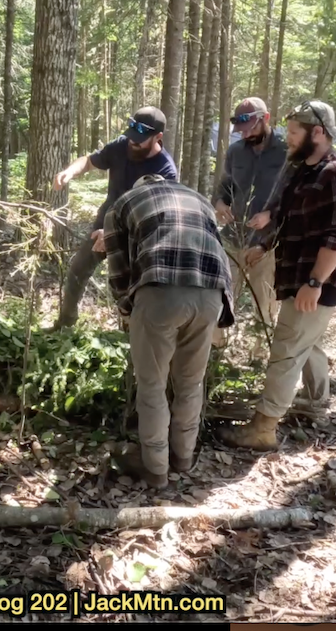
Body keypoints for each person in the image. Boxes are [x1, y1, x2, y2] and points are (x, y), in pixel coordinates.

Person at [216, 100, 336, 450]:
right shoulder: (302, 169)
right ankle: (315, 402)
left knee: (286, 348)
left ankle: (263, 428)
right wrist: (264, 246)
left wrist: (314, 283)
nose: (290, 139)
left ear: (318, 133)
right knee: (303, 340)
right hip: (295, 272)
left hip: (317, 280)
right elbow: (281, 212)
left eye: (295, 133)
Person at [103, 174, 235, 488]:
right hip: (211, 293)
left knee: (152, 385)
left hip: (160, 290)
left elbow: (119, 268)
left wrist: (126, 309)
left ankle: (156, 469)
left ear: (138, 187)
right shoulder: (198, 197)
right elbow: (218, 247)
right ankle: (184, 458)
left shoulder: (121, 205)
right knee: (190, 382)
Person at [50, 107, 179, 331]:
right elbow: (90, 161)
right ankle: (65, 324)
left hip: (135, 239)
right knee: (77, 270)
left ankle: (129, 339)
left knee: (129, 291)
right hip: (102, 229)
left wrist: (114, 234)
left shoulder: (165, 171)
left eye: (140, 140)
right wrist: (70, 171)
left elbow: (153, 221)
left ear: (158, 137)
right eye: (131, 137)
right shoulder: (122, 146)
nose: (133, 143)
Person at [213, 97, 288, 347]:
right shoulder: (235, 151)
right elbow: (225, 185)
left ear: (266, 119)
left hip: (268, 241)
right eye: (241, 131)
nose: (246, 135)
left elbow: (296, 196)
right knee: (219, 294)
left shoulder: (287, 151)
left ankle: (259, 352)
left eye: (251, 129)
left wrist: (271, 215)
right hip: (234, 236)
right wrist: (221, 203)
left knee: (264, 300)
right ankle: (217, 347)